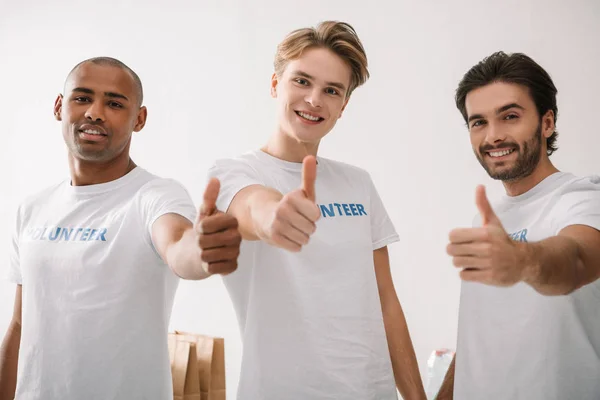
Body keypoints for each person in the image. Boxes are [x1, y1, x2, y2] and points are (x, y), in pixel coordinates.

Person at [0, 57, 241, 400]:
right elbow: (21, 324)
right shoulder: (32, 209)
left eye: (114, 103)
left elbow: (177, 246)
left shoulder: (155, 196)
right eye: (82, 98)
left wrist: (201, 250)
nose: (95, 112)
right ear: (59, 106)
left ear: (139, 119)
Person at [208, 21, 426, 400]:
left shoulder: (359, 183)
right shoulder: (235, 173)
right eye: (302, 81)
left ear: (343, 105)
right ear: (275, 84)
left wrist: (416, 397)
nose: (314, 100)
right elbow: (251, 207)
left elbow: (386, 300)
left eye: (331, 90)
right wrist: (274, 216)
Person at [437, 51, 600, 400]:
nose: (493, 136)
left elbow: (576, 261)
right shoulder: (486, 220)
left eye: (509, 116)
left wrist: (522, 261)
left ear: (547, 123)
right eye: (478, 122)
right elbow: (477, 337)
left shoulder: (583, 197)